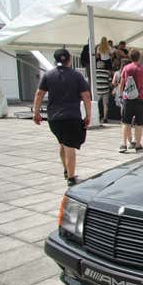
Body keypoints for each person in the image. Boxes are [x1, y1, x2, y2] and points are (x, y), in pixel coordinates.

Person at [33, 49, 91, 186]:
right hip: (72, 116)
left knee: (62, 143)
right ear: (69, 60)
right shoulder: (76, 76)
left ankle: (66, 169)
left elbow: (39, 94)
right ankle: (71, 177)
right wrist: (88, 114)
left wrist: (36, 112)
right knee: (70, 146)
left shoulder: (48, 75)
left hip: (54, 118)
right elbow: (86, 96)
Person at [119, 49, 143, 153]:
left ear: (130, 57)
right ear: (139, 57)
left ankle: (124, 145)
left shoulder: (126, 68)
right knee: (139, 123)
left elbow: (122, 83)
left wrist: (121, 96)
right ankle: (137, 145)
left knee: (125, 122)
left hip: (127, 99)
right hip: (140, 98)